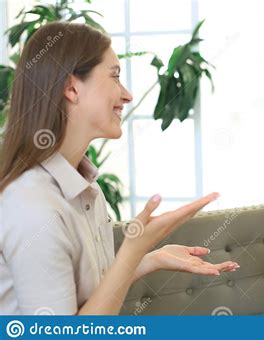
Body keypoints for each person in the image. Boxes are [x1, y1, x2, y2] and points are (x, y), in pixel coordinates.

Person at [0, 22, 239, 315]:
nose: (127, 95)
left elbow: (91, 296)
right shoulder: (32, 206)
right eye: (114, 77)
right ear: (72, 88)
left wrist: (149, 258)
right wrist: (132, 250)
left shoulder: (87, 189)